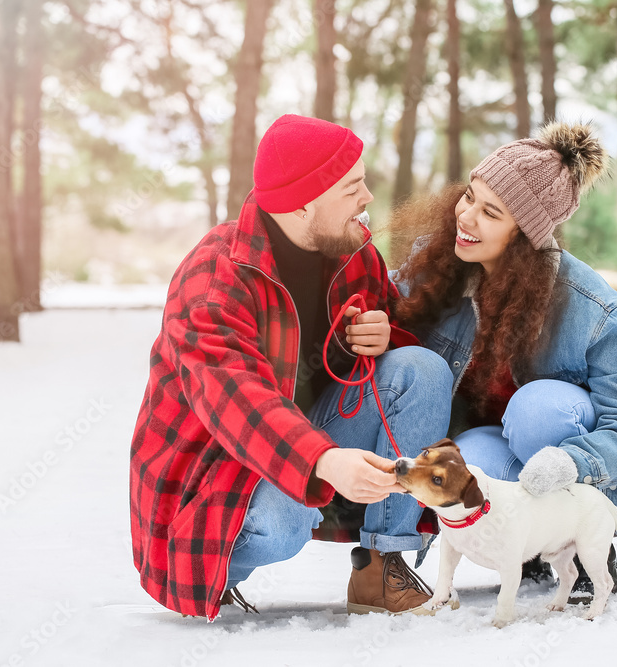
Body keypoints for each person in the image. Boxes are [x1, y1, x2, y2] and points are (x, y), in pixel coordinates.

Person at [130, 114, 452, 621]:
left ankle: (381, 565)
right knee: (285, 517)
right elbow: (237, 399)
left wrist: (386, 332)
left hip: (307, 435)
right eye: (352, 188)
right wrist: (324, 462)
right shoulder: (215, 275)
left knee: (421, 369)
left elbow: (395, 329)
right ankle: (216, 570)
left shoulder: (351, 249)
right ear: (303, 203)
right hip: (216, 470)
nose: (368, 197)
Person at [392, 121, 617, 598]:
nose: (466, 217)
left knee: (538, 409)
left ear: (525, 235)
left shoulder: (601, 316)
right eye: (468, 196)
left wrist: (570, 462)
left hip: (559, 447)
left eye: (491, 212)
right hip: (494, 442)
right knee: (471, 464)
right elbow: (383, 301)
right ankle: (528, 549)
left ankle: (586, 544)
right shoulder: (442, 266)